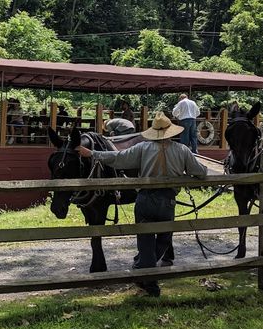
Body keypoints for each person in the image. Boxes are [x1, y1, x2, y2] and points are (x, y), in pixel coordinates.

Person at [76, 113, 207, 296]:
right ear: (171, 132)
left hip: (145, 199)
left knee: (145, 242)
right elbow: (200, 172)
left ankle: (145, 276)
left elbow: (118, 158)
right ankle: (145, 276)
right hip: (167, 200)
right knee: (164, 238)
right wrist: (191, 174)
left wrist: (92, 153)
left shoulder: (143, 148)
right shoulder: (182, 150)